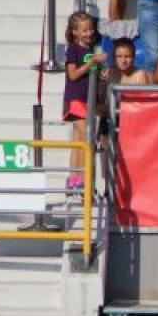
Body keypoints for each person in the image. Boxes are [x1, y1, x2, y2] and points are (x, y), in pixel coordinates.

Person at [63, 11, 107, 194]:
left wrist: (102, 73)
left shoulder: (91, 50)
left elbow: (93, 74)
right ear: (75, 32)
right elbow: (72, 74)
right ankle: (82, 179)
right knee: (87, 137)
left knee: (79, 140)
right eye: (85, 30)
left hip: (88, 100)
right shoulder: (73, 49)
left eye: (91, 29)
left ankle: (74, 179)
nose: (89, 33)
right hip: (75, 100)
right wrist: (91, 64)